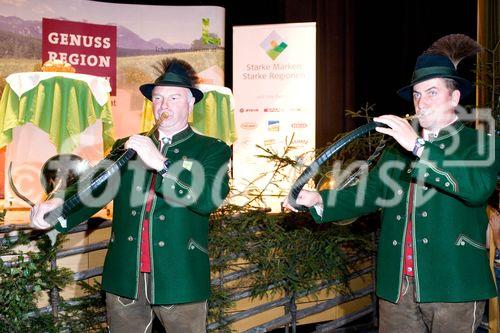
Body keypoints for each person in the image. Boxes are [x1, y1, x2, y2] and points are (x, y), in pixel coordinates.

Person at [284, 34, 499, 332]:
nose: (422, 102)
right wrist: (319, 199)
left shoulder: (478, 144)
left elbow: (477, 190)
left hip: (454, 283)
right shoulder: (398, 149)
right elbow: (370, 194)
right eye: (417, 94)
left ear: (455, 97)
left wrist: (420, 148)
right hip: (398, 287)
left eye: (432, 92)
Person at [30, 58, 231, 332]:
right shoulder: (128, 145)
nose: (164, 105)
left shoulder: (211, 149)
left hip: (180, 274)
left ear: (190, 103)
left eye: (174, 98)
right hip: (126, 275)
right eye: (158, 98)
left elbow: (208, 199)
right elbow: (96, 187)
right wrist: (58, 205)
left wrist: (161, 163)